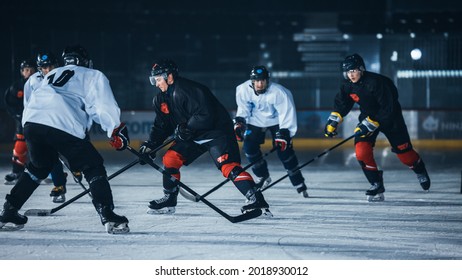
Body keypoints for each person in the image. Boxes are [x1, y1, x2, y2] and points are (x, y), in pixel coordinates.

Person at [0, 44, 130, 234]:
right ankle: (108, 215)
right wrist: (115, 129)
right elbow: (102, 106)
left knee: (38, 167)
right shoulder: (92, 75)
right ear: (85, 61)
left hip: (32, 123)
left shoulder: (51, 74)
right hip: (62, 122)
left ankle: (9, 210)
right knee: (93, 166)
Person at [140, 59, 271, 216]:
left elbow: (206, 114)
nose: (156, 83)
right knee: (170, 159)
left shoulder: (189, 89)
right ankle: (169, 200)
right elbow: (162, 126)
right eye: (153, 80)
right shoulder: (160, 99)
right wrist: (150, 145)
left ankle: (256, 199)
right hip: (193, 136)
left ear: (169, 77)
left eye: (158, 79)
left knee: (227, 166)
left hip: (216, 133)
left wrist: (187, 127)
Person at [324, 53, 431, 201]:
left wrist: (371, 123)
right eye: (348, 72)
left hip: (391, 119)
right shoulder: (347, 85)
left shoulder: (376, 82)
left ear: (361, 69)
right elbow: (342, 103)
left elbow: (388, 107)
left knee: (405, 154)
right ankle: (376, 184)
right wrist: (333, 120)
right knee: (361, 151)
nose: (351, 75)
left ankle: (420, 170)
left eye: (354, 70)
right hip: (368, 117)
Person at [234, 65, 309, 198]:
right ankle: (262, 175)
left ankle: (298, 181)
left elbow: (287, 113)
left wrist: (285, 133)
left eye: (262, 80)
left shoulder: (280, 92)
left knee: (285, 152)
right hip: (255, 120)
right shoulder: (243, 89)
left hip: (277, 121)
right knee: (249, 147)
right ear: (252, 82)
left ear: (267, 81)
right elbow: (243, 108)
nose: (260, 83)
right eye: (256, 81)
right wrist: (240, 122)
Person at [23, 51, 68, 203]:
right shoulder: (33, 81)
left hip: (61, 122)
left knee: (68, 152)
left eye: (51, 66)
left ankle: (73, 172)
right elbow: (27, 103)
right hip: (41, 124)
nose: (48, 70)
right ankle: (59, 185)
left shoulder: (65, 76)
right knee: (50, 157)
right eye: (44, 67)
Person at [3, 59, 36, 185]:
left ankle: (50, 172)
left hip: (40, 123)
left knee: (43, 147)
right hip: (22, 123)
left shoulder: (41, 84)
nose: (29, 72)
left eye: (32, 69)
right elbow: (9, 103)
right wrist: (17, 115)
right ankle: (17, 171)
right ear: (22, 72)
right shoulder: (17, 87)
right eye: (26, 70)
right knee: (20, 148)